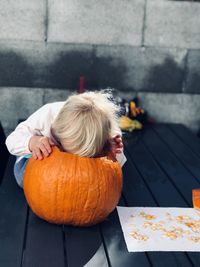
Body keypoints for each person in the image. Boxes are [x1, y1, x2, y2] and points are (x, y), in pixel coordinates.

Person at [5, 90, 127, 188]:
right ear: (58, 130)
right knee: (23, 179)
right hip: (39, 154)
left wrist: (113, 152)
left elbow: (113, 172)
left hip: (80, 172)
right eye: (65, 147)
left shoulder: (107, 131)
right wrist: (31, 142)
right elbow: (11, 140)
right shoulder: (47, 115)